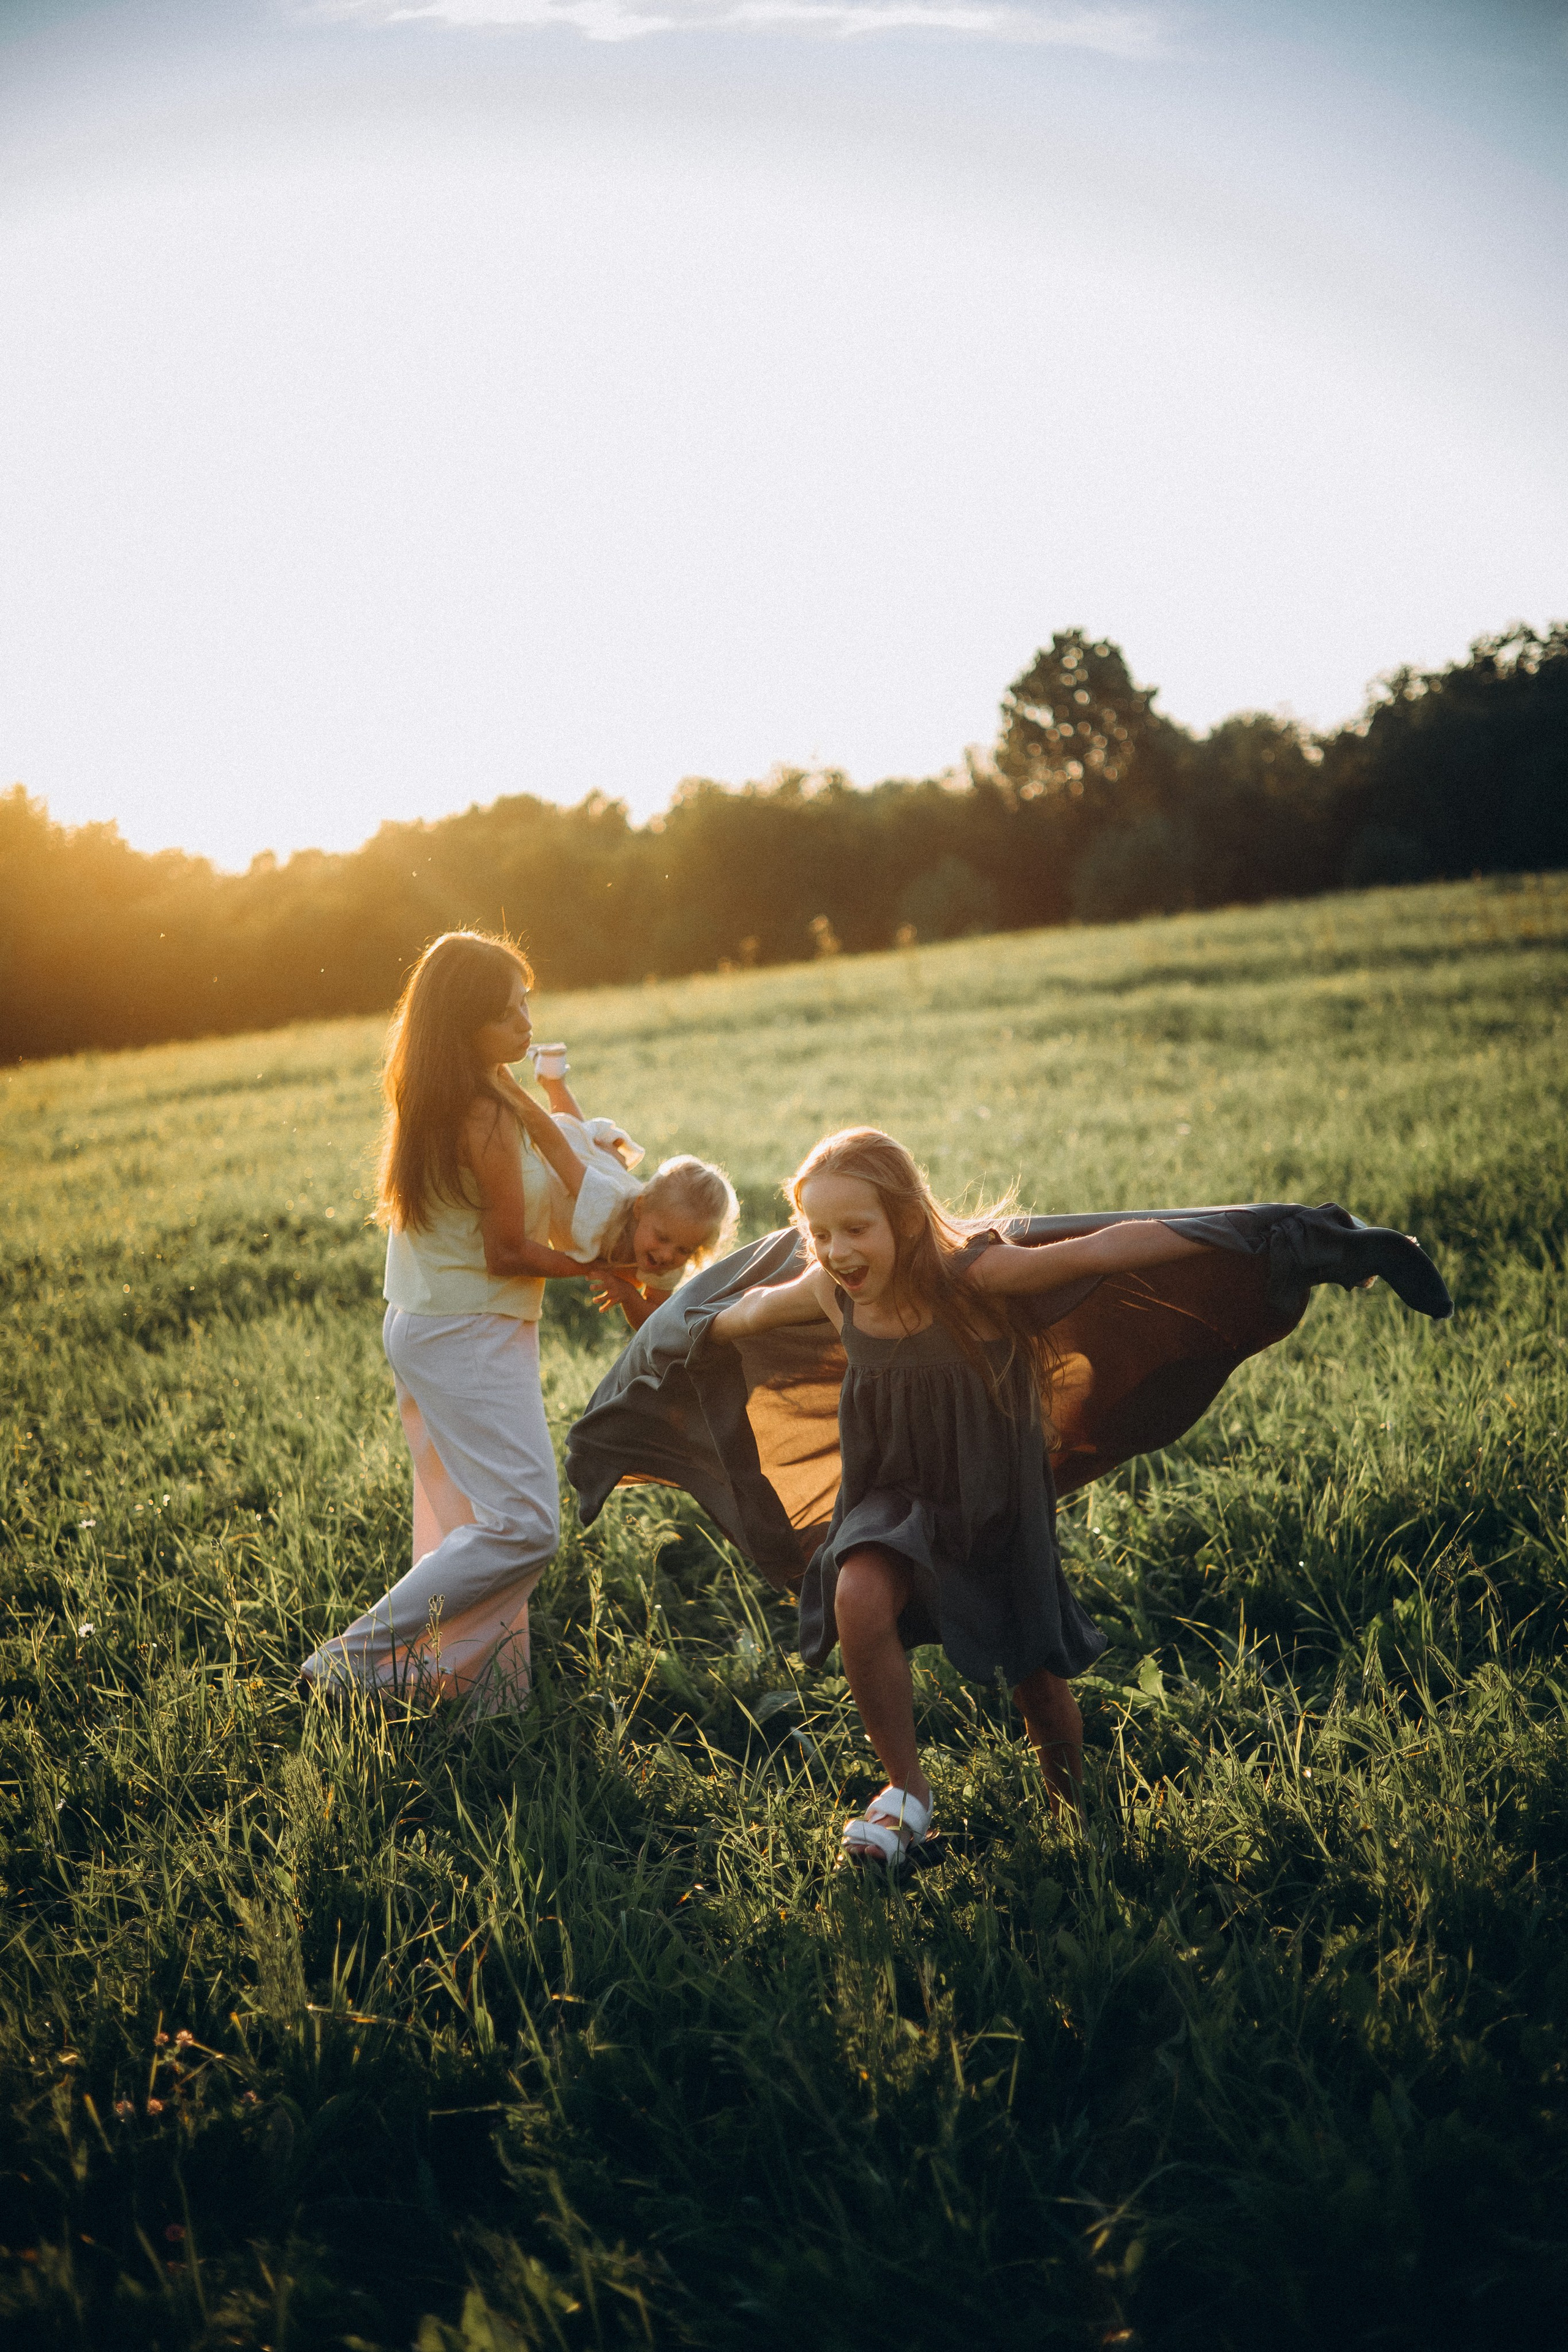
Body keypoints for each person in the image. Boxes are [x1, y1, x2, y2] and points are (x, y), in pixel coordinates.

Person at [706, 1128, 1225, 1867]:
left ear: (905, 1220)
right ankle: (906, 1792)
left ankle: (1074, 1821)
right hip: (890, 1498)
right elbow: (751, 1313)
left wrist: (1235, 1235)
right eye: (819, 1233)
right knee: (857, 1594)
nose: (837, 1251)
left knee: (1036, 1682)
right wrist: (679, 1326)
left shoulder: (973, 1279)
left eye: (856, 1229)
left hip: (991, 1510)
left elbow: (1099, 1251)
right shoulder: (830, 1291)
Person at [298, 929, 605, 1721]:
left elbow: (548, 1170)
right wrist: (603, 1265)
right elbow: (508, 1252)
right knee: (526, 1527)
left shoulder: (470, 1089)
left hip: (436, 1320)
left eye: (526, 1004)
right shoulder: (482, 1111)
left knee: (476, 1519)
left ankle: (472, 1686)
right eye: (506, 1014)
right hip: (466, 1329)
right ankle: (348, 1663)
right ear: (462, 1025)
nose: (526, 1023)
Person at [523, 1038, 738, 1330]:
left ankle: (553, 1077)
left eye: (685, 1250)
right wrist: (512, 1096)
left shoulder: (668, 1265)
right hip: (559, 1173)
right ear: (640, 1208)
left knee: (582, 1142)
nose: (667, 1255)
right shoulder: (605, 1204)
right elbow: (558, 1150)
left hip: (590, 1182)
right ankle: (552, 1080)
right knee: (574, 1136)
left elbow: (652, 1323)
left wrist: (628, 1295)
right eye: (662, 1237)